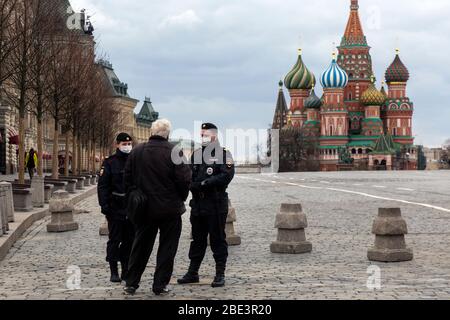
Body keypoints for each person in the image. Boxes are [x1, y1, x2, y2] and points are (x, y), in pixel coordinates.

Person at [123, 119, 191, 296]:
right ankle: (159, 285)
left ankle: (131, 283)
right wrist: (179, 198)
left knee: (140, 246)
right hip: (169, 209)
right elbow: (184, 180)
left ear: (151, 132)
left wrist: (135, 196)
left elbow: (127, 180)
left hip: (144, 208)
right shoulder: (174, 152)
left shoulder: (137, 151)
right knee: (167, 248)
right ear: (168, 134)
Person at [178, 123, 235, 288]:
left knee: (218, 239)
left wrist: (204, 183)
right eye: (201, 134)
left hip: (216, 203)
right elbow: (187, 174)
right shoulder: (196, 155)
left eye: (205, 134)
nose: (202, 137)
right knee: (197, 239)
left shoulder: (224, 154)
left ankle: (219, 273)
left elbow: (226, 175)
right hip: (198, 204)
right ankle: (192, 272)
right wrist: (189, 185)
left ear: (214, 136)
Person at [97, 133, 135, 283]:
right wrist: (105, 206)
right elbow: (103, 186)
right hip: (115, 207)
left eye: (129, 144)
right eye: (124, 144)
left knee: (129, 240)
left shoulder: (135, 162)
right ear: (117, 145)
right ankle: (114, 271)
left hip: (131, 207)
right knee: (114, 240)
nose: (127, 146)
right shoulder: (110, 162)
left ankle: (126, 269)